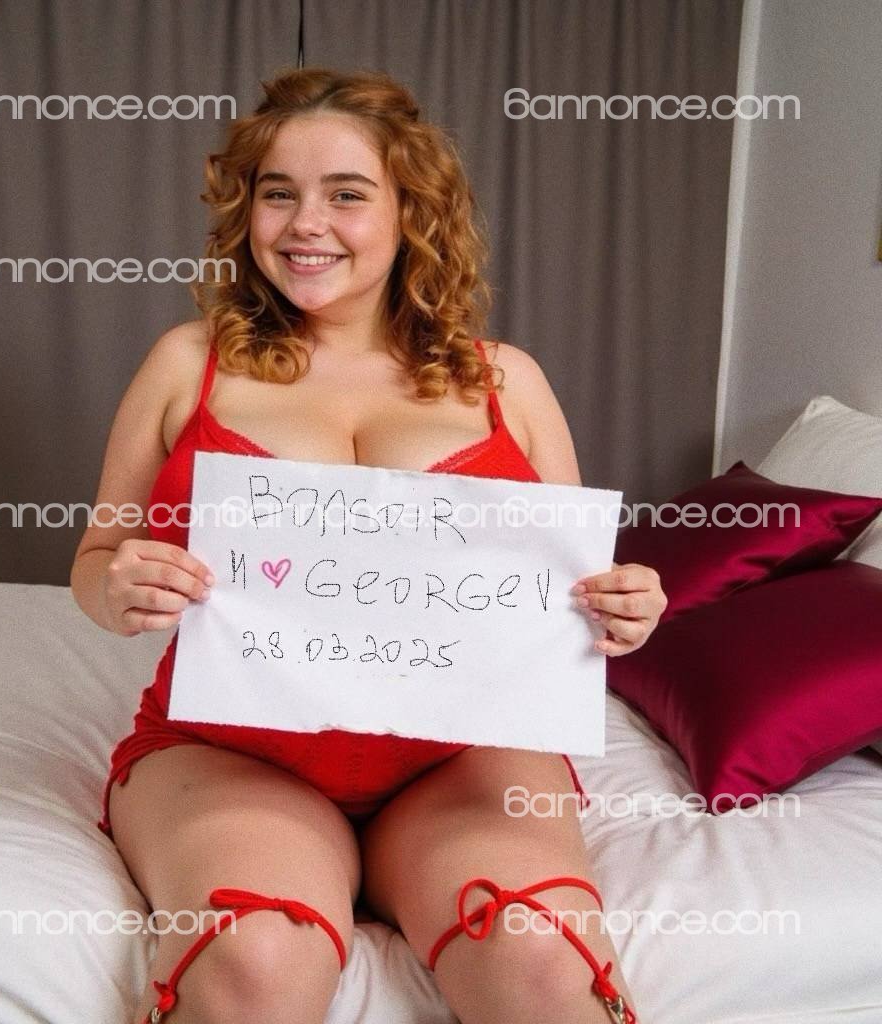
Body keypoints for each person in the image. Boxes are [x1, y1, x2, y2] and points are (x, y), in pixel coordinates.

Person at [71, 67, 666, 1024]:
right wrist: (117, 588)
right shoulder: (187, 362)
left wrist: (626, 607)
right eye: (278, 194)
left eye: (346, 194)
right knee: (254, 953)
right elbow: (97, 560)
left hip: (462, 758)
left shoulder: (506, 381)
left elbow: (580, 588)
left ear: (410, 211)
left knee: (541, 957)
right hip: (231, 751)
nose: (306, 224)